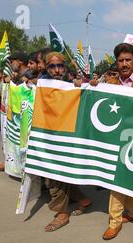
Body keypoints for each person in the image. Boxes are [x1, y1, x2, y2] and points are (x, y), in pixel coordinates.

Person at [93, 43, 133, 240]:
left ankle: (129, 213)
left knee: (126, 175)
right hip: (116, 138)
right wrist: (90, 86)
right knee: (118, 176)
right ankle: (120, 218)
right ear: (116, 62)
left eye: (128, 60)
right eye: (120, 60)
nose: (124, 64)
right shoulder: (109, 82)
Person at [41, 52, 93, 232]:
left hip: (69, 137)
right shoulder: (41, 87)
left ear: (65, 67)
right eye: (52, 67)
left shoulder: (71, 86)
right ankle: (83, 200)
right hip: (49, 138)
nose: (56, 70)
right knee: (53, 176)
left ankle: (62, 214)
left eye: (60, 66)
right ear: (46, 68)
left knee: (57, 177)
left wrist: (86, 86)